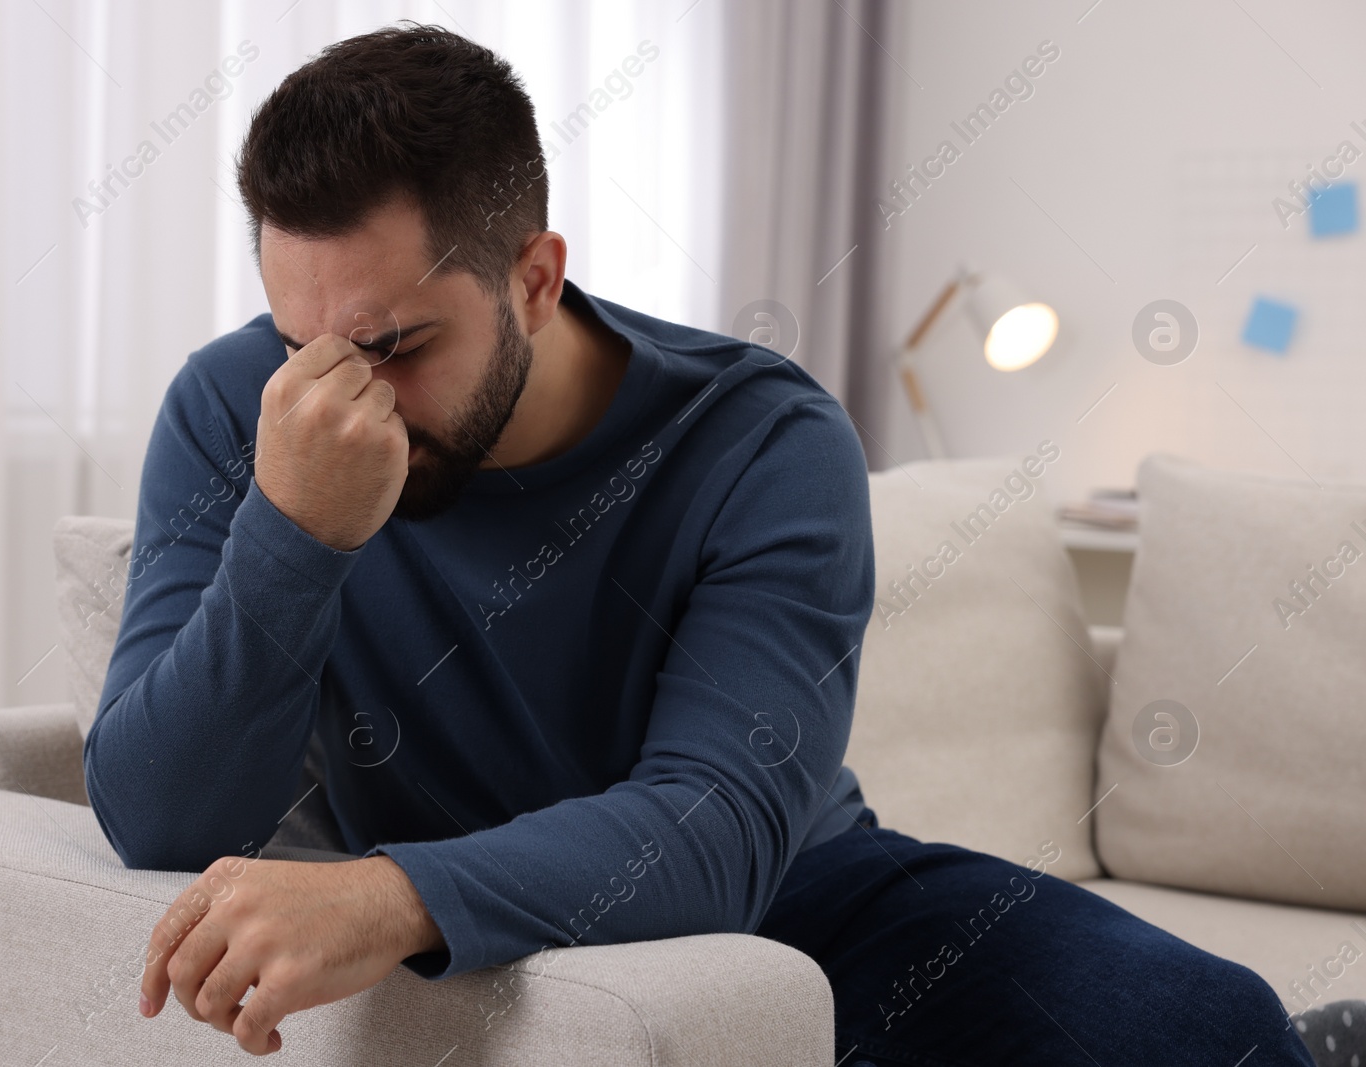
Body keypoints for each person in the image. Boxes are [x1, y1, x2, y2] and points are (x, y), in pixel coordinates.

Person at [84, 21, 1335, 1065]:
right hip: (487, 940)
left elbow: (720, 826)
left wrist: (395, 894)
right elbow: (155, 812)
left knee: (1206, 1026)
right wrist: (295, 532)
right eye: (301, 339)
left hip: (788, 897)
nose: (335, 398)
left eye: (391, 347)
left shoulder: (762, 436)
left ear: (533, 278)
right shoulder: (241, 411)